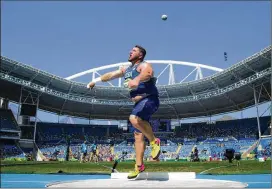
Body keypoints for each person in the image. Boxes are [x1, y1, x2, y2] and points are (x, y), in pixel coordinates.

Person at [87, 45, 161, 179]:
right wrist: (95, 81)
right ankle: (139, 167)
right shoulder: (127, 69)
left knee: (134, 118)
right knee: (138, 136)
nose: (130, 52)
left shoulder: (143, 65)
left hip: (149, 99)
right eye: (131, 50)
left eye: (134, 51)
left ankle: (154, 141)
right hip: (139, 103)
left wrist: (137, 80)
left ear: (140, 55)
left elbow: (148, 73)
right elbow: (110, 75)